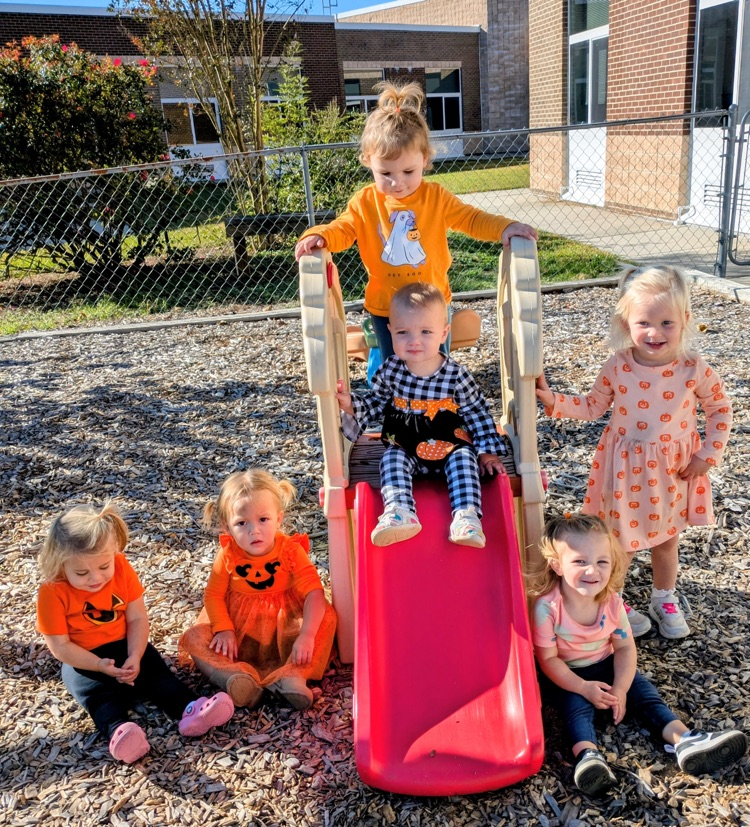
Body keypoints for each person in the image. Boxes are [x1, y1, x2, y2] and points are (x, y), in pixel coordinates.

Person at [535, 265, 732, 639]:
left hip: (673, 470)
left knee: (666, 538)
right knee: (619, 541)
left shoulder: (694, 369)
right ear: (626, 323)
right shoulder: (619, 366)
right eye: (644, 323)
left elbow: (720, 409)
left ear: (684, 320)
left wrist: (709, 452)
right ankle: (613, 600)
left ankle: (664, 596)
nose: (655, 333)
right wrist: (554, 400)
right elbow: (593, 406)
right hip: (624, 471)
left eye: (666, 323)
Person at [294, 80, 537, 362]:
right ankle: (395, 404)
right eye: (385, 173)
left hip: (431, 305)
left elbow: (471, 218)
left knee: (434, 362)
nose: (398, 183)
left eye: (408, 171)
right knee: (392, 364)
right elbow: (344, 227)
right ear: (368, 162)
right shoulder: (365, 201)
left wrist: (503, 227)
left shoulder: (436, 197)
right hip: (387, 307)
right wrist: (320, 234)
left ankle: (437, 403)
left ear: (425, 159)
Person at [528, 512, 746, 796]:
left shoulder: (611, 601)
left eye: (601, 562)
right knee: (575, 710)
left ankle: (685, 740)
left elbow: (625, 648)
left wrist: (620, 688)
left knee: (644, 694)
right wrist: (583, 687)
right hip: (568, 673)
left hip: (606, 663)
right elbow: (548, 659)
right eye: (580, 561)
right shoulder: (547, 608)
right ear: (557, 565)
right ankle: (588, 757)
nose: (592, 571)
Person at [36, 503, 234, 765]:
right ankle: (120, 731)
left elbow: (137, 616)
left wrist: (136, 653)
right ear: (60, 564)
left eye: (103, 566)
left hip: (126, 643)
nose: (96, 578)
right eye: (82, 573)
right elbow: (60, 646)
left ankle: (192, 708)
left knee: (158, 674)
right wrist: (98, 665)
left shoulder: (119, 566)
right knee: (96, 695)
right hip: (83, 658)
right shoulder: (52, 591)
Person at [336, 281, 505, 548]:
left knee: (464, 461)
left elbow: (476, 411)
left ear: (443, 333)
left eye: (426, 331)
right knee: (391, 460)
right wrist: (350, 404)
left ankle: (466, 516)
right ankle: (400, 511)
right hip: (405, 444)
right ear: (390, 332)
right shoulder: (392, 369)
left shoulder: (455, 374)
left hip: (450, 445)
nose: (414, 341)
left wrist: (487, 450)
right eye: (403, 332)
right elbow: (377, 401)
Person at [179, 470, 337, 711]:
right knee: (195, 637)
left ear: (279, 518)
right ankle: (234, 679)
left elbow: (314, 592)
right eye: (242, 523)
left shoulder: (290, 551)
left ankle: (292, 677)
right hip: (240, 632)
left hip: (286, 629)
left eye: (263, 519)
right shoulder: (228, 555)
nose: (254, 531)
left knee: (325, 616)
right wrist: (223, 629)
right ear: (227, 527)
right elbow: (213, 595)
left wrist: (305, 635)